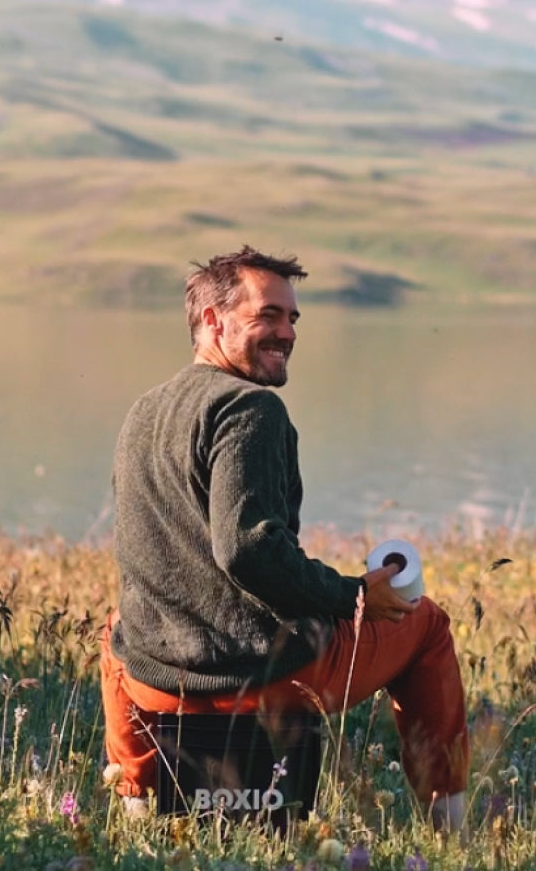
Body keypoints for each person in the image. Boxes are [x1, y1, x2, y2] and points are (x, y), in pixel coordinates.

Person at [100, 245, 468, 829]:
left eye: (292, 318)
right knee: (427, 626)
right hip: (255, 676)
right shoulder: (250, 409)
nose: (287, 332)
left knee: (117, 639)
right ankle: (451, 824)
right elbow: (247, 549)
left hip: (155, 685)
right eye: (268, 315)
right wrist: (352, 595)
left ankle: (139, 811)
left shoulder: (144, 410)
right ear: (213, 321)